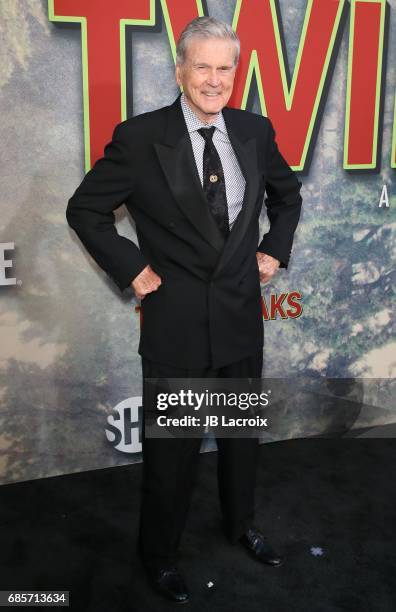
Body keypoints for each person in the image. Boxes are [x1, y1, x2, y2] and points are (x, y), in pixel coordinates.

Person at [66, 16, 303, 604]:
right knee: (172, 455)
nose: (215, 79)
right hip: (176, 327)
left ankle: (241, 524)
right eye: (203, 65)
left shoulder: (254, 128)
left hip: (241, 318)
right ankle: (160, 555)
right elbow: (85, 209)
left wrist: (273, 249)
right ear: (181, 69)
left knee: (241, 438)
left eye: (226, 67)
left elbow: (287, 196)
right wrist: (132, 268)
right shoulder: (141, 137)